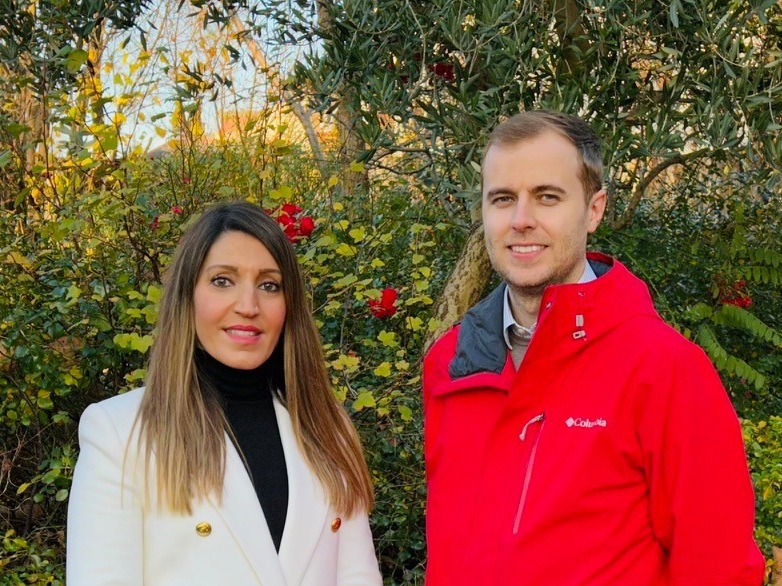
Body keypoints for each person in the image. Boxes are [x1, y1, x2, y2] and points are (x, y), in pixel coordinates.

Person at [422, 111, 765, 585]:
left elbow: (717, 566)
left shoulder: (664, 368)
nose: (521, 220)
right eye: (503, 199)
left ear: (594, 209)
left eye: (547, 197)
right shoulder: (450, 363)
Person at [67, 201, 383, 586]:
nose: (248, 306)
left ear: (289, 305)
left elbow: (358, 577)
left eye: (269, 285)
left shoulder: (326, 426)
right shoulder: (120, 433)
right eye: (223, 281)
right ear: (188, 296)